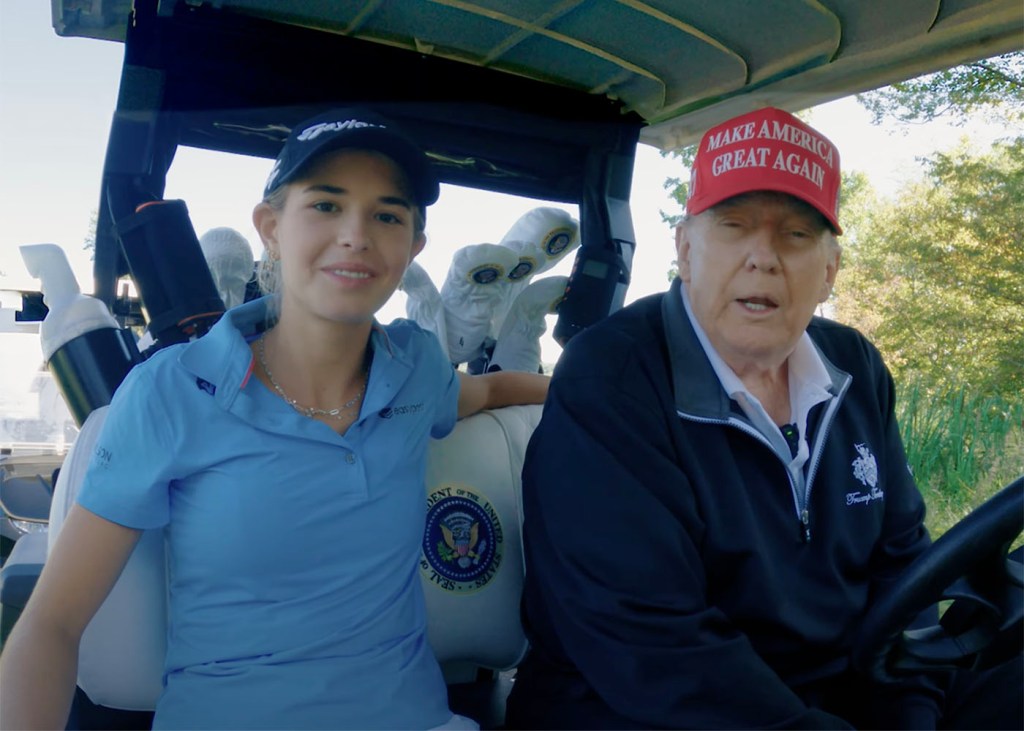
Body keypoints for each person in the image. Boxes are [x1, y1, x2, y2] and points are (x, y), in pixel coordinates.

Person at [0, 108, 549, 730]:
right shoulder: (172, 391)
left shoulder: (416, 368)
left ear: (412, 248)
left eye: (388, 215)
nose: (356, 235)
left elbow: (493, 390)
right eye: (325, 205)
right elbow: (52, 624)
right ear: (271, 228)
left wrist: (600, 390)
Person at [505, 107, 1021, 729]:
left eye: (796, 234)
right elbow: (647, 640)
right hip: (638, 707)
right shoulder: (611, 377)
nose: (763, 257)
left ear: (828, 269)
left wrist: (912, 709)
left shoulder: (854, 365)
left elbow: (900, 561)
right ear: (687, 249)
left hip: (839, 691)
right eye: (734, 225)